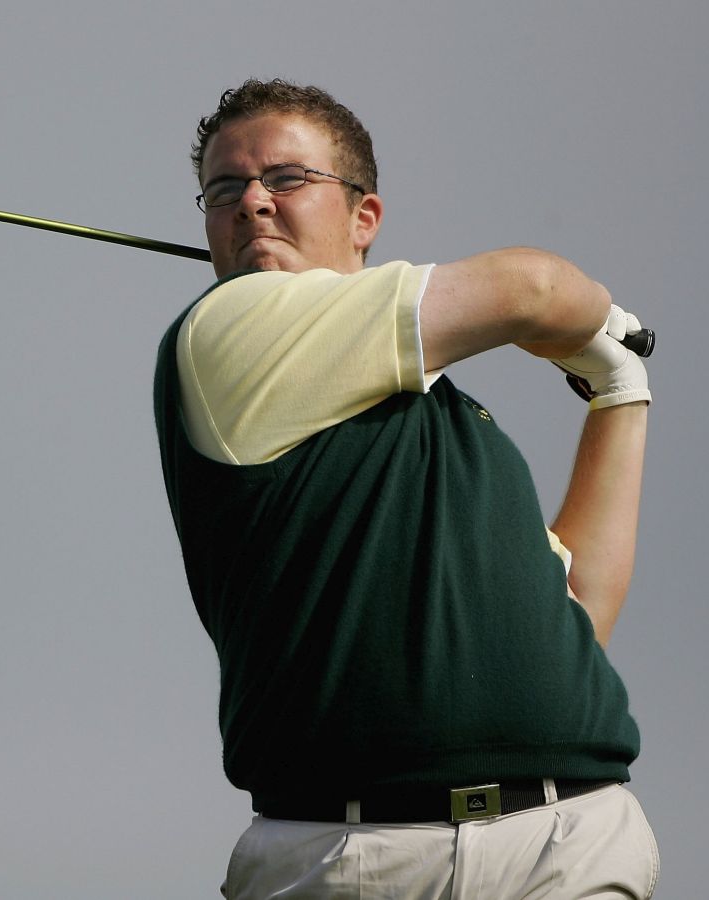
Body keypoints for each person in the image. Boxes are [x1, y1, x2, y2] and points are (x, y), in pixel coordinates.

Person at [153, 79, 658, 898]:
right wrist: (597, 322)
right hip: (351, 856)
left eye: (285, 180)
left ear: (365, 219)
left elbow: (578, 610)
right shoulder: (230, 328)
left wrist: (619, 391)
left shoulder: (459, 427)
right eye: (224, 189)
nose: (251, 203)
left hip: (568, 842)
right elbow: (532, 287)